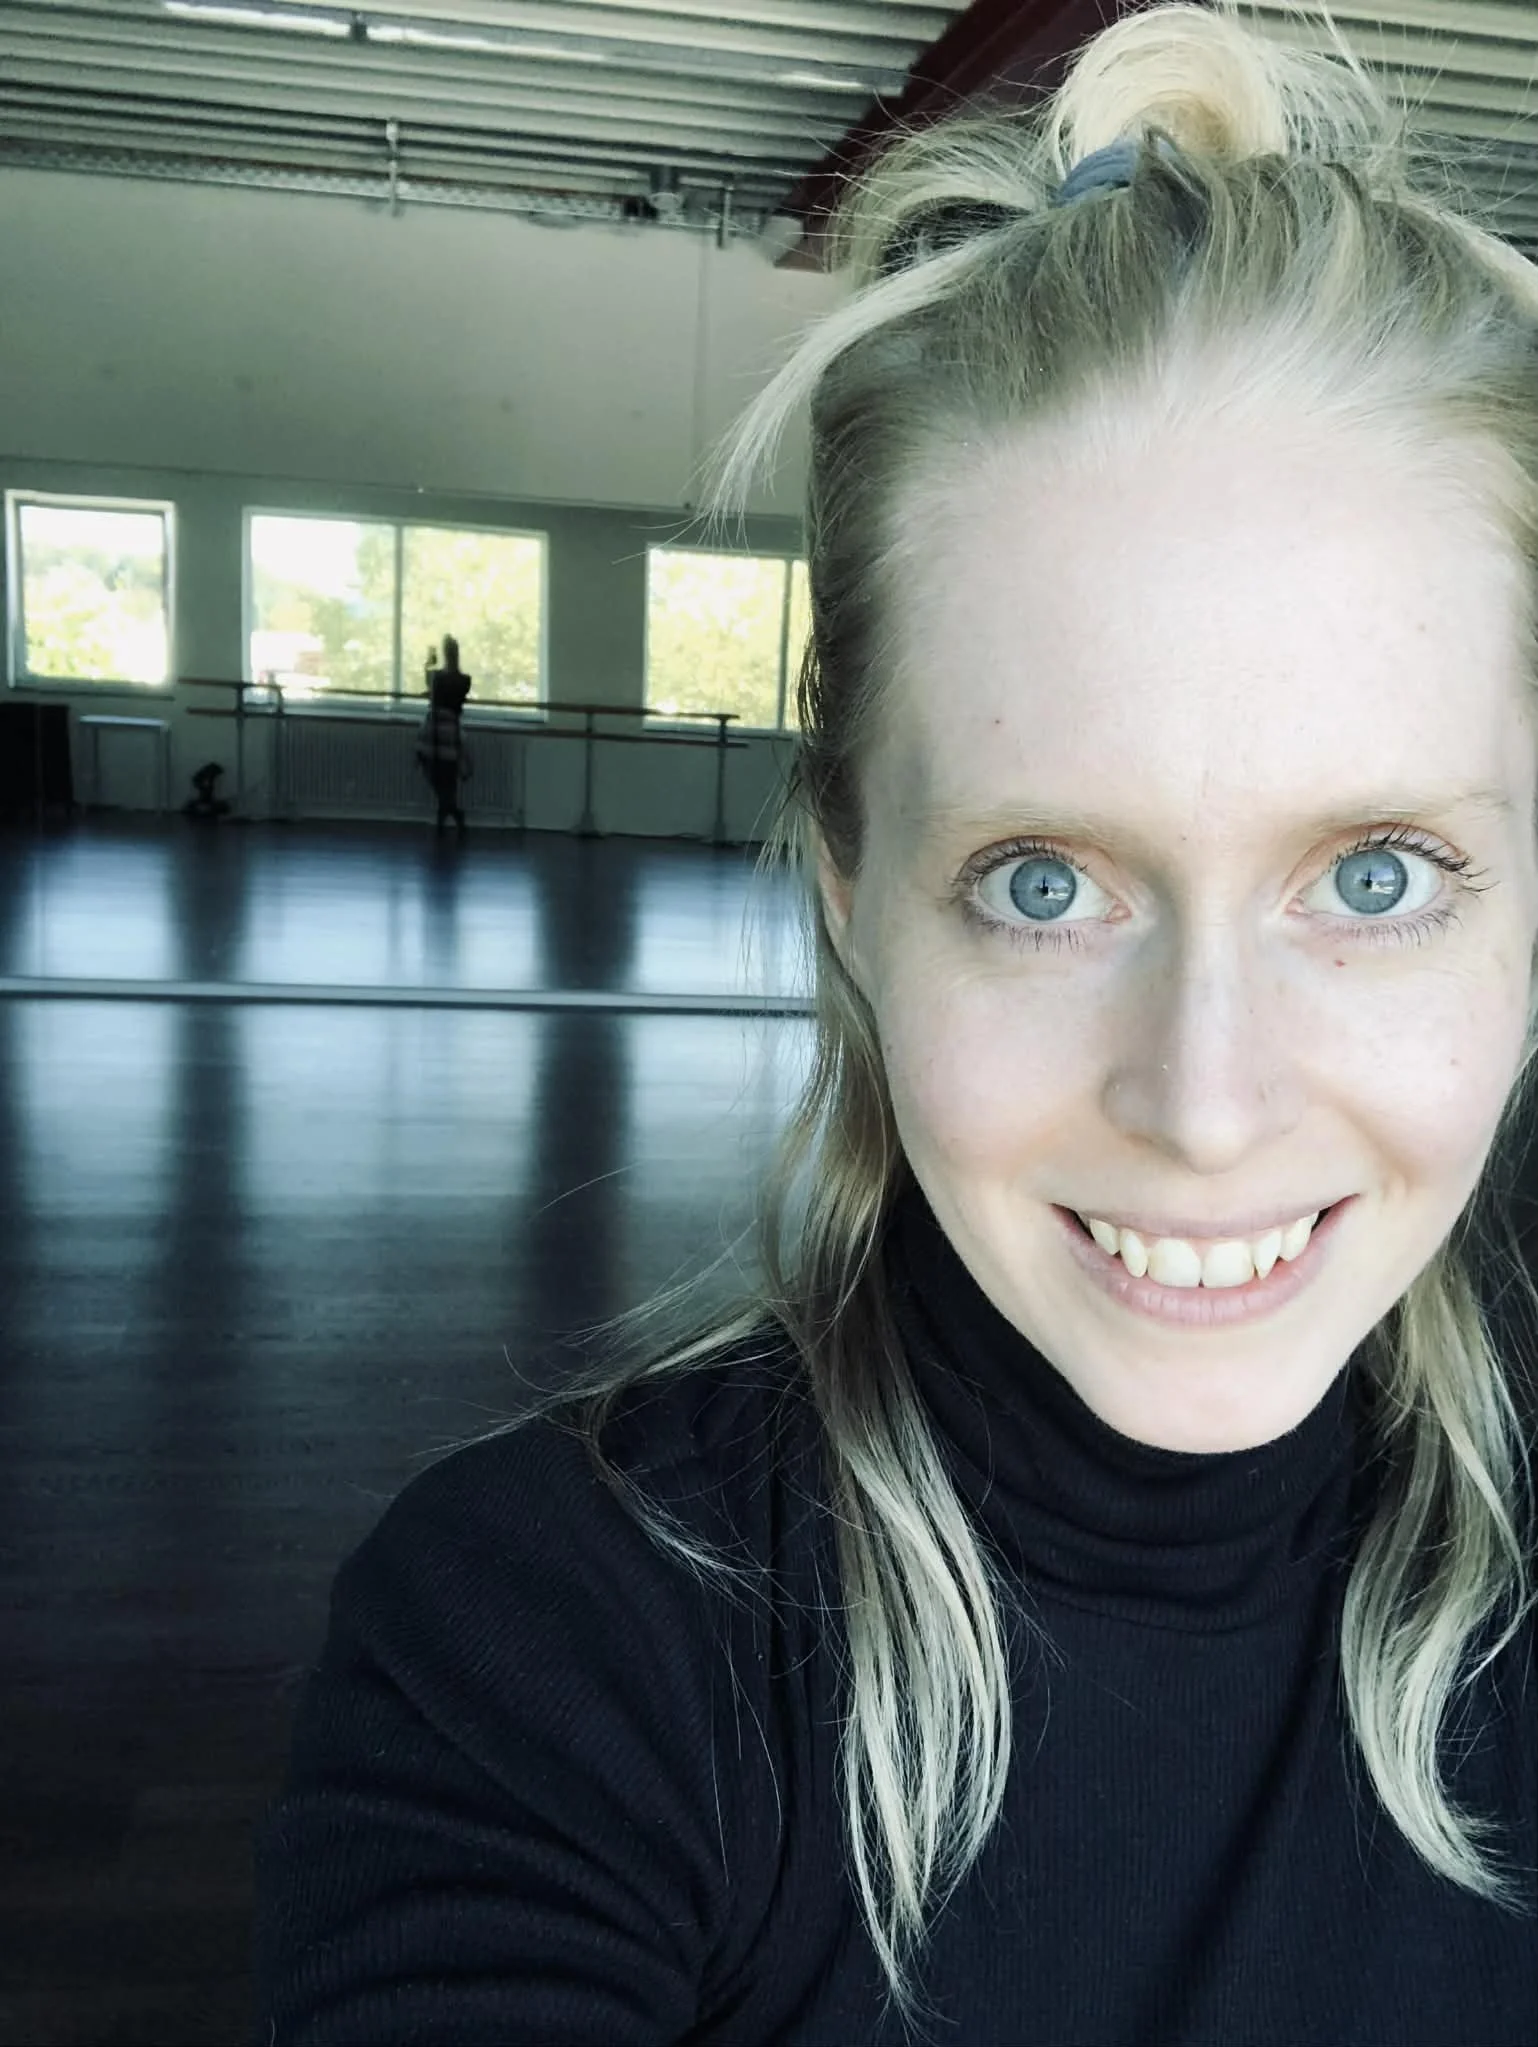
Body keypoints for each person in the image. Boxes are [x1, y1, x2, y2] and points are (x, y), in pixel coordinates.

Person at [252, 4, 1538, 2040]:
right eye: (1042, 882)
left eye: (1373, 876)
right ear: (849, 885)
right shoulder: (543, 1649)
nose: (1205, 1103)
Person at [416, 632, 472, 833]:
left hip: (436, 728)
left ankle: (450, 812)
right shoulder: (464, 680)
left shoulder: (438, 677)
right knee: (449, 774)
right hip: (452, 728)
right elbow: (455, 699)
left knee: (434, 771)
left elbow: (432, 689)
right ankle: (449, 812)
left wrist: (428, 664)